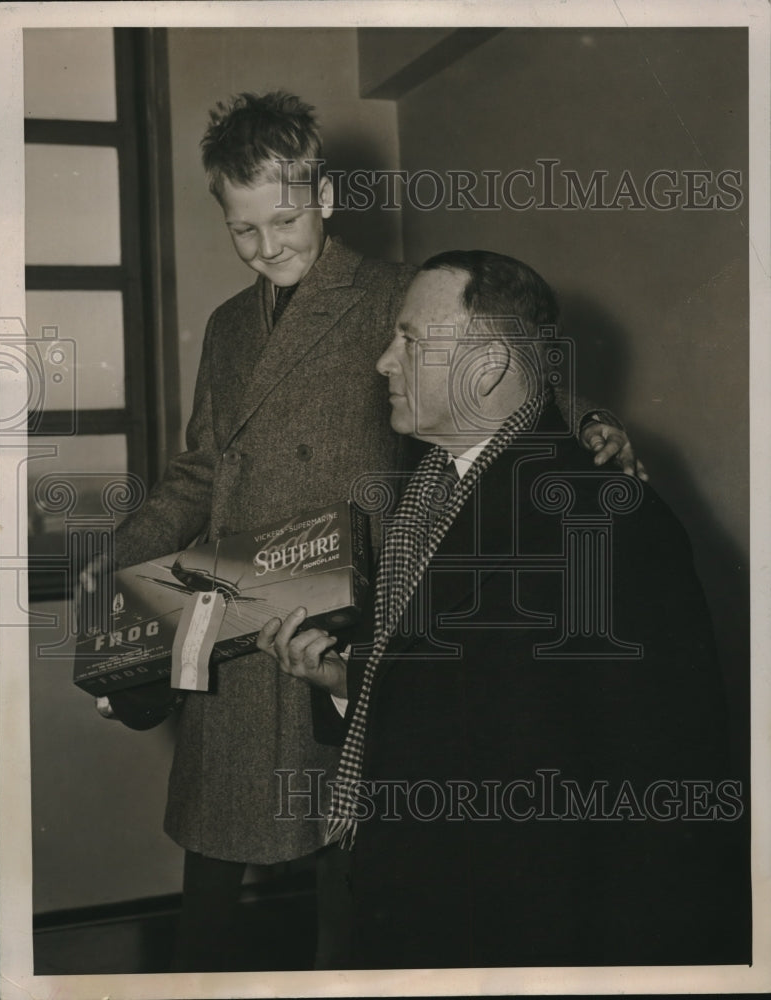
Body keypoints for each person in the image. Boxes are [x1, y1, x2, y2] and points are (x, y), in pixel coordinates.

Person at [83, 94, 642, 971]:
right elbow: (199, 468)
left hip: (358, 613)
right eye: (244, 231)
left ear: (327, 198)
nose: (269, 247)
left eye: (286, 218)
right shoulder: (229, 327)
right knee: (216, 864)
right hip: (237, 615)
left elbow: (499, 375)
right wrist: (114, 564)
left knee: (362, 861)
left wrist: (591, 427)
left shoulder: (391, 293)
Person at [259, 250, 750, 969]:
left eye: (410, 340)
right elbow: (463, 698)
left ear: (486, 367)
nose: (382, 362)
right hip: (425, 909)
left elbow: (663, 801)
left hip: (527, 938)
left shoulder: (604, 523)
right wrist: (345, 686)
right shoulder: (429, 488)